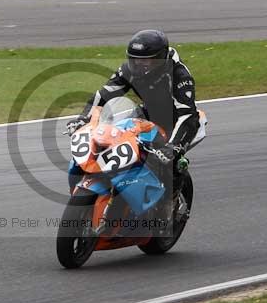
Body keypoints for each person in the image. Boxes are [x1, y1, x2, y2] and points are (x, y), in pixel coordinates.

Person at [65, 29, 200, 219]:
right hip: (146, 115)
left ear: (161, 59)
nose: (139, 64)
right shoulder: (129, 70)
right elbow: (103, 95)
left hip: (178, 123)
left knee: (170, 161)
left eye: (145, 60)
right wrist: (84, 117)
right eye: (135, 59)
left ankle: (170, 202)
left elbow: (188, 115)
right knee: (113, 140)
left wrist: (174, 147)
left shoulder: (179, 75)